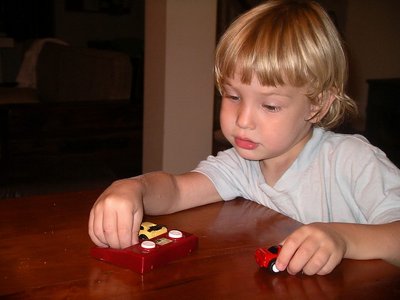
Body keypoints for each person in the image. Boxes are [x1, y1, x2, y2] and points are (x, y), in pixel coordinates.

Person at [88, 0, 400, 275]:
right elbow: (176, 190)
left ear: (317, 105)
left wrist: (342, 238)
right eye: (233, 96)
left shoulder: (353, 161)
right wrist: (132, 188)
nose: (243, 120)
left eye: (270, 105)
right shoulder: (241, 165)